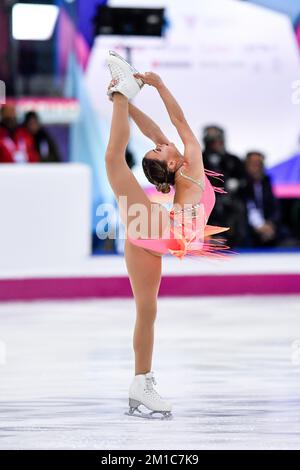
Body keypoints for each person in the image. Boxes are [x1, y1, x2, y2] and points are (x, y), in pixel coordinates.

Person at [105, 51, 230, 419]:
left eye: (160, 147)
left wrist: (128, 100)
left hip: (153, 235)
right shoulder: (190, 164)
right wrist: (149, 88)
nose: (161, 141)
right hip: (160, 233)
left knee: (147, 310)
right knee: (146, 310)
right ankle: (141, 382)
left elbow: (161, 129)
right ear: (172, 164)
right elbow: (176, 121)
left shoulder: (185, 170)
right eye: (162, 149)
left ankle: (141, 382)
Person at [202, 125, 247, 247]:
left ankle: (235, 240)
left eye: (218, 141)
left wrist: (237, 183)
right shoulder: (199, 159)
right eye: (212, 142)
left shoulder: (233, 160)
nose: (216, 144)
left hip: (229, 199)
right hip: (205, 200)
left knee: (237, 208)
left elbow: (244, 179)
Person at [243, 151, 281, 247]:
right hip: (248, 227)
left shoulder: (266, 181)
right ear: (246, 165)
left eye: (259, 164)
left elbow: (275, 207)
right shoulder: (242, 184)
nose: (256, 167)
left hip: (267, 226)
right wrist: (259, 226)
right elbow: (248, 207)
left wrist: (270, 224)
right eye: (253, 164)